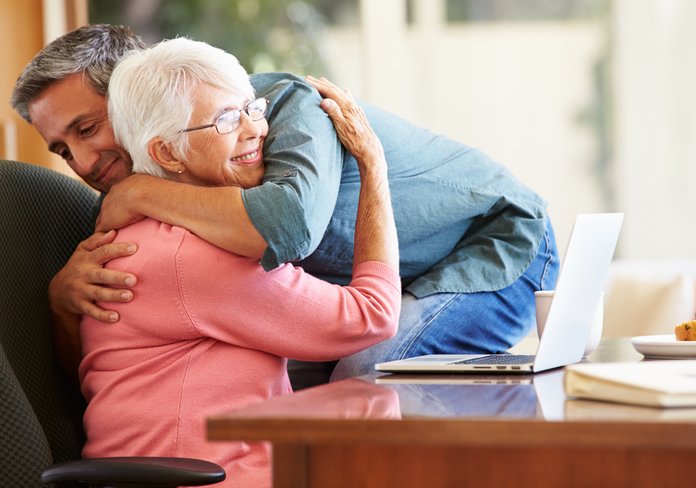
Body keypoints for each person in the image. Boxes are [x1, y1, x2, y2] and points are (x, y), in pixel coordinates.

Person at [11, 24, 560, 389]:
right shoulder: (147, 207)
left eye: (87, 128)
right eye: (62, 148)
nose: (81, 163)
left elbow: (287, 227)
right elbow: (102, 367)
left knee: (364, 373)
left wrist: (139, 191)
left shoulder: (278, 107)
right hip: (371, 295)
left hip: (496, 246)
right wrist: (63, 302)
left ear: (139, 92)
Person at [79, 37, 400, 487]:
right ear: (167, 153)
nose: (256, 130)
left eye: (252, 108)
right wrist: (374, 166)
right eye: (226, 119)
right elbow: (372, 316)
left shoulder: (159, 235)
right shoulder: (190, 256)